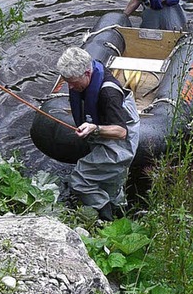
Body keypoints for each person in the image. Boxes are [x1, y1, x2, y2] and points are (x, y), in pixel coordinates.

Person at [56, 47, 140, 221]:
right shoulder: (84, 80)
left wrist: (96, 129)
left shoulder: (109, 94)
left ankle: (104, 215)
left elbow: (122, 132)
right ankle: (120, 214)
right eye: (67, 82)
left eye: (72, 82)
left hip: (120, 138)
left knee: (80, 180)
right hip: (103, 127)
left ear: (87, 73)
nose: (70, 87)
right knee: (112, 183)